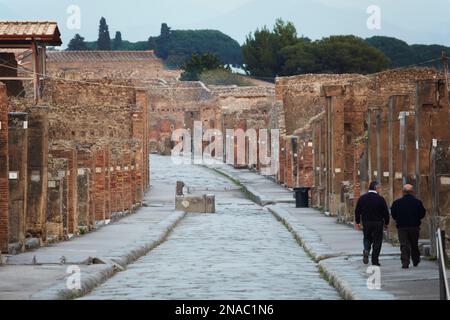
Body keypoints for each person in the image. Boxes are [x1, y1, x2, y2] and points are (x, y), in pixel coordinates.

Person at [355, 181, 390, 266]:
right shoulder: (380, 199)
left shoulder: (362, 198)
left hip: (366, 222)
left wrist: (358, 222)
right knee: (377, 241)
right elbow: (385, 212)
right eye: (379, 188)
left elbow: (357, 211)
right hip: (378, 223)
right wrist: (386, 222)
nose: (380, 190)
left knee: (367, 238)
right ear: (376, 188)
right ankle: (375, 260)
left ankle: (366, 250)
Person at [391, 184, 426, 269]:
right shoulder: (418, 202)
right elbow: (422, 214)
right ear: (412, 192)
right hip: (414, 226)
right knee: (414, 244)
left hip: (402, 227)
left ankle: (405, 262)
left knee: (404, 244)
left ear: (403, 192)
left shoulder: (397, 202)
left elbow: (393, 214)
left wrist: (399, 219)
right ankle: (415, 260)